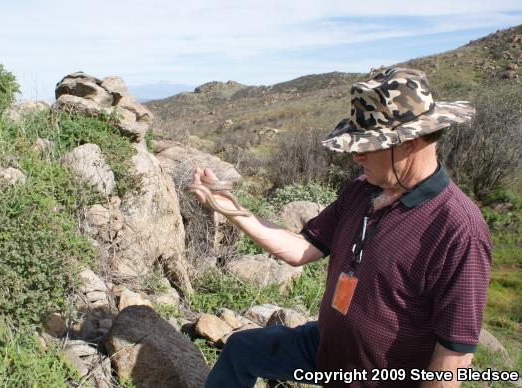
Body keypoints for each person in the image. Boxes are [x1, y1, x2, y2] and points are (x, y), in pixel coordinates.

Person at [192, 68, 492, 388]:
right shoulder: (362, 190)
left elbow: (453, 356)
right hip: (326, 349)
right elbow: (300, 249)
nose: (356, 155)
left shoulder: (459, 229)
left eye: (369, 144)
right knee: (242, 349)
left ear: (409, 143)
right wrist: (227, 207)